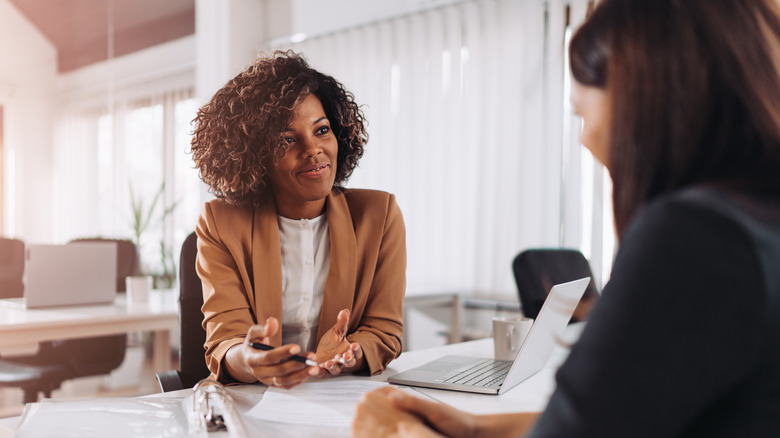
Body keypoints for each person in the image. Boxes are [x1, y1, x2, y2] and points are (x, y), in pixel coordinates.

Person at [352, 0, 780, 436]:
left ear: (648, 99)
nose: (586, 139)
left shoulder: (695, 238)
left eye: (581, 112)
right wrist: (477, 430)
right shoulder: (756, 220)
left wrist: (395, 432)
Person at [191, 51, 406, 389]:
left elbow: (384, 329)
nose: (313, 149)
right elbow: (226, 341)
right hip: (254, 402)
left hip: (342, 399)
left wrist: (351, 353)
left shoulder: (379, 216)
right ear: (254, 155)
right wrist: (252, 361)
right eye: (288, 140)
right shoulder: (220, 222)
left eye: (321, 130)